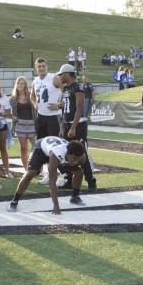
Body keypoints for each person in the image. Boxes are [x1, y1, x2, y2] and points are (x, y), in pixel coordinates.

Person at [8, 137, 87, 213]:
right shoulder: (56, 154)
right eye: (73, 159)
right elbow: (52, 182)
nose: (75, 161)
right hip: (41, 149)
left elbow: (78, 162)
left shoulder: (81, 157)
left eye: (77, 159)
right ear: (68, 153)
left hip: (56, 150)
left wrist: (74, 161)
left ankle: (75, 197)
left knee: (79, 172)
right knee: (31, 173)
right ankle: (14, 201)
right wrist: (56, 205)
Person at [58, 65, 97, 193]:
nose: (60, 77)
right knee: (67, 153)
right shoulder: (66, 88)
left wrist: (73, 127)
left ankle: (91, 181)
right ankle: (69, 180)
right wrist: (63, 125)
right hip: (67, 123)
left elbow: (80, 109)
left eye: (61, 74)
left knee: (82, 154)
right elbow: (69, 106)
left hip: (78, 124)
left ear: (67, 74)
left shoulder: (77, 87)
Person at [31, 57, 64, 184]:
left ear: (47, 66)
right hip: (41, 117)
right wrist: (35, 105)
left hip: (53, 117)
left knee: (56, 146)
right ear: (36, 68)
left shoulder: (54, 77)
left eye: (43, 66)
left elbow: (66, 92)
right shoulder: (35, 81)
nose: (41, 68)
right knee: (43, 146)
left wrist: (60, 105)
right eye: (39, 66)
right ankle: (49, 173)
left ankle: (63, 174)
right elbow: (32, 95)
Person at [11, 76, 36, 171]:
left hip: (32, 125)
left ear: (25, 85)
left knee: (36, 147)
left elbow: (36, 108)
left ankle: (37, 167)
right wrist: (12, 116)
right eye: (18, 83)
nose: (20, 85)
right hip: (20, 126)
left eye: (22, 83)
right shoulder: (13, 98)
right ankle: (26, 169)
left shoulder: (31, 96)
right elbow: (7, 111)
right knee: (23, 148)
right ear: (16, 85)